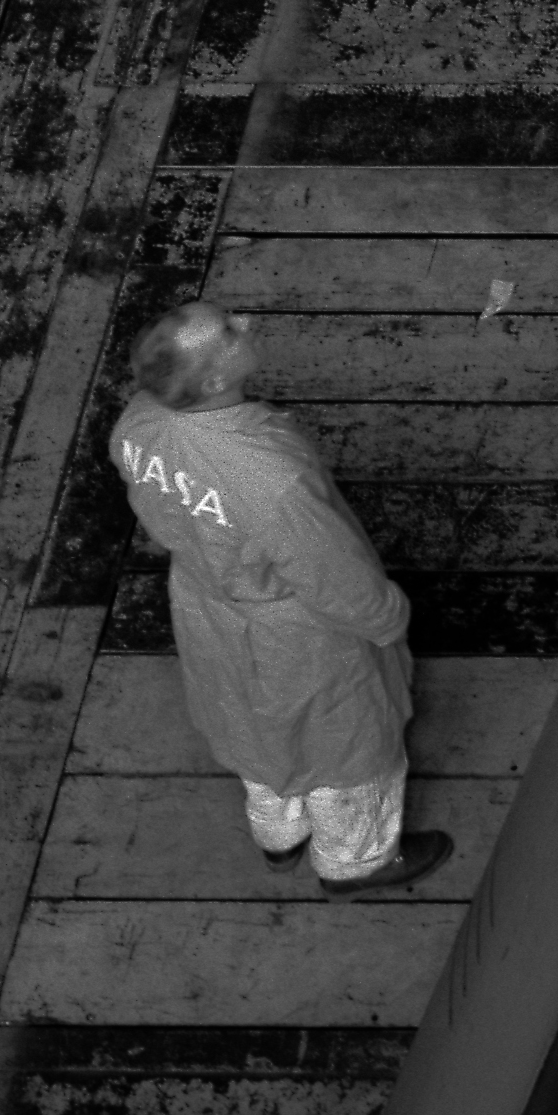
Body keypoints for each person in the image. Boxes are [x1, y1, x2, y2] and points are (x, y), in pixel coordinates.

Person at [109, 304, 451, 891]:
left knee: (252, 728)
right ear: (216, 381)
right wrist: (388, 618)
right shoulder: (267, 477)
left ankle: (278, 834)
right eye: (228, 331)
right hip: (294, 631)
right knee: (346, 746)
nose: (244, 321)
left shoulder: (137, 426)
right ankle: (355, 859)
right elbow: (331, 574)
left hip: (205, 608)